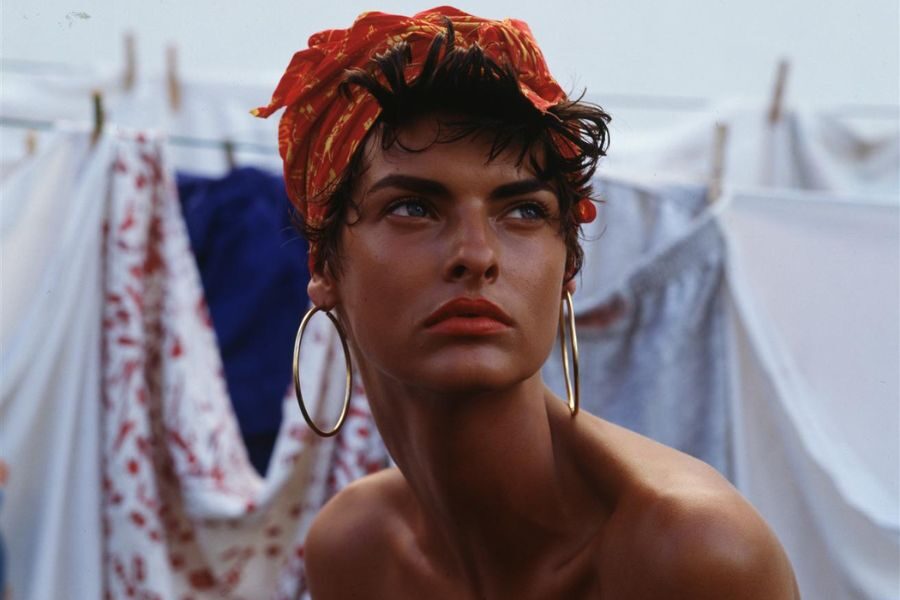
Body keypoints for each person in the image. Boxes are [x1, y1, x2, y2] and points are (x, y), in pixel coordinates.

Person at [254, 7, 799, 598]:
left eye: (524, 210)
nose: (476, 254)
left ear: (568, 264)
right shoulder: (355, 552)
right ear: (325, 264)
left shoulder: (692, 554)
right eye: (413, 206)